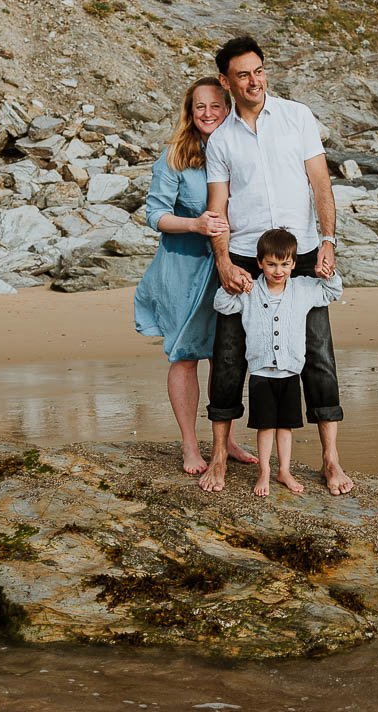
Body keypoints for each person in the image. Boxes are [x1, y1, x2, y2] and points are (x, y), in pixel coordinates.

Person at [199, 35, 355, 495]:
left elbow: (321, 184)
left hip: (301, 254)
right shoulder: (221, 139)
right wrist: (224, 262)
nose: (254, 81)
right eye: (243, 74)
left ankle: (330, 460)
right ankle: (219, 460)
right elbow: (217, 210)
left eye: (259, 70)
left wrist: (328, 241)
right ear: (227, 82)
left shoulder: (297, 117)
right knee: (228, 360)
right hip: (246, 258)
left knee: (318, 356)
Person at [133, 77, 257, 475]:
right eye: (199, 106)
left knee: (229, 355)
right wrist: (195, 225)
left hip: (232, 264)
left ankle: (227, 439)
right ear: (190, 112)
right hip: (183, 270)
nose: (207, 113)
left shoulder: (242, 148)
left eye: (215, 106)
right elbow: (154, 214)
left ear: (227, 108)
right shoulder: (174, 157)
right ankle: (189, 445)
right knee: (186, 356)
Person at [213, 228, 343, 496]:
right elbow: (222, 305)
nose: (278, 270)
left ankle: (284, 470)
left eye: (285, 264)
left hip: (290, 373)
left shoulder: (304, 288)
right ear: (259, 262)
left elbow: (332, 292)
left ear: (294, 264)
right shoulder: (251, 291)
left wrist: (327, 273)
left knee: (285, 426)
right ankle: (264, 472)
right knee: (265, 426)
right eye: (271, 264)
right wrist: (235, 286)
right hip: (261, 373)